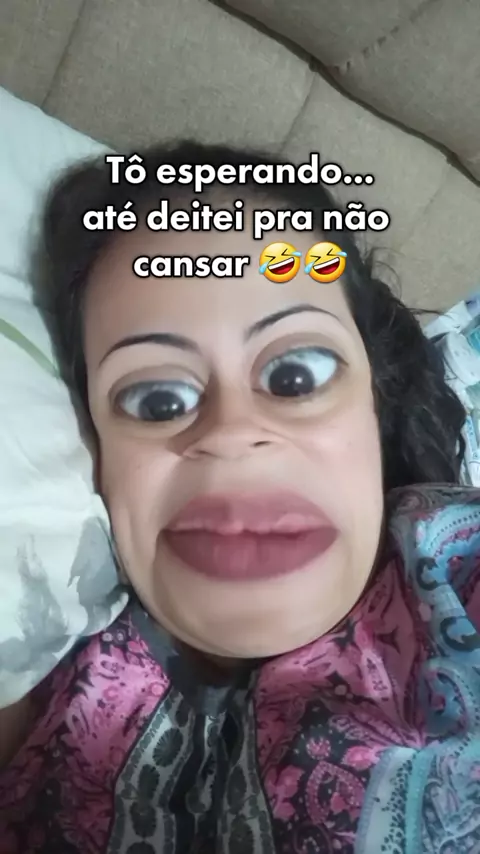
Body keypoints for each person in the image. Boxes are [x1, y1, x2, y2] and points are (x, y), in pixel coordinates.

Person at [0, 142, 479, 854]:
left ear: (374, 407)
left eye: (297, 375)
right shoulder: (34, 666)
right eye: (157, 399)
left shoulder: (456, 566)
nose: (231, 434)